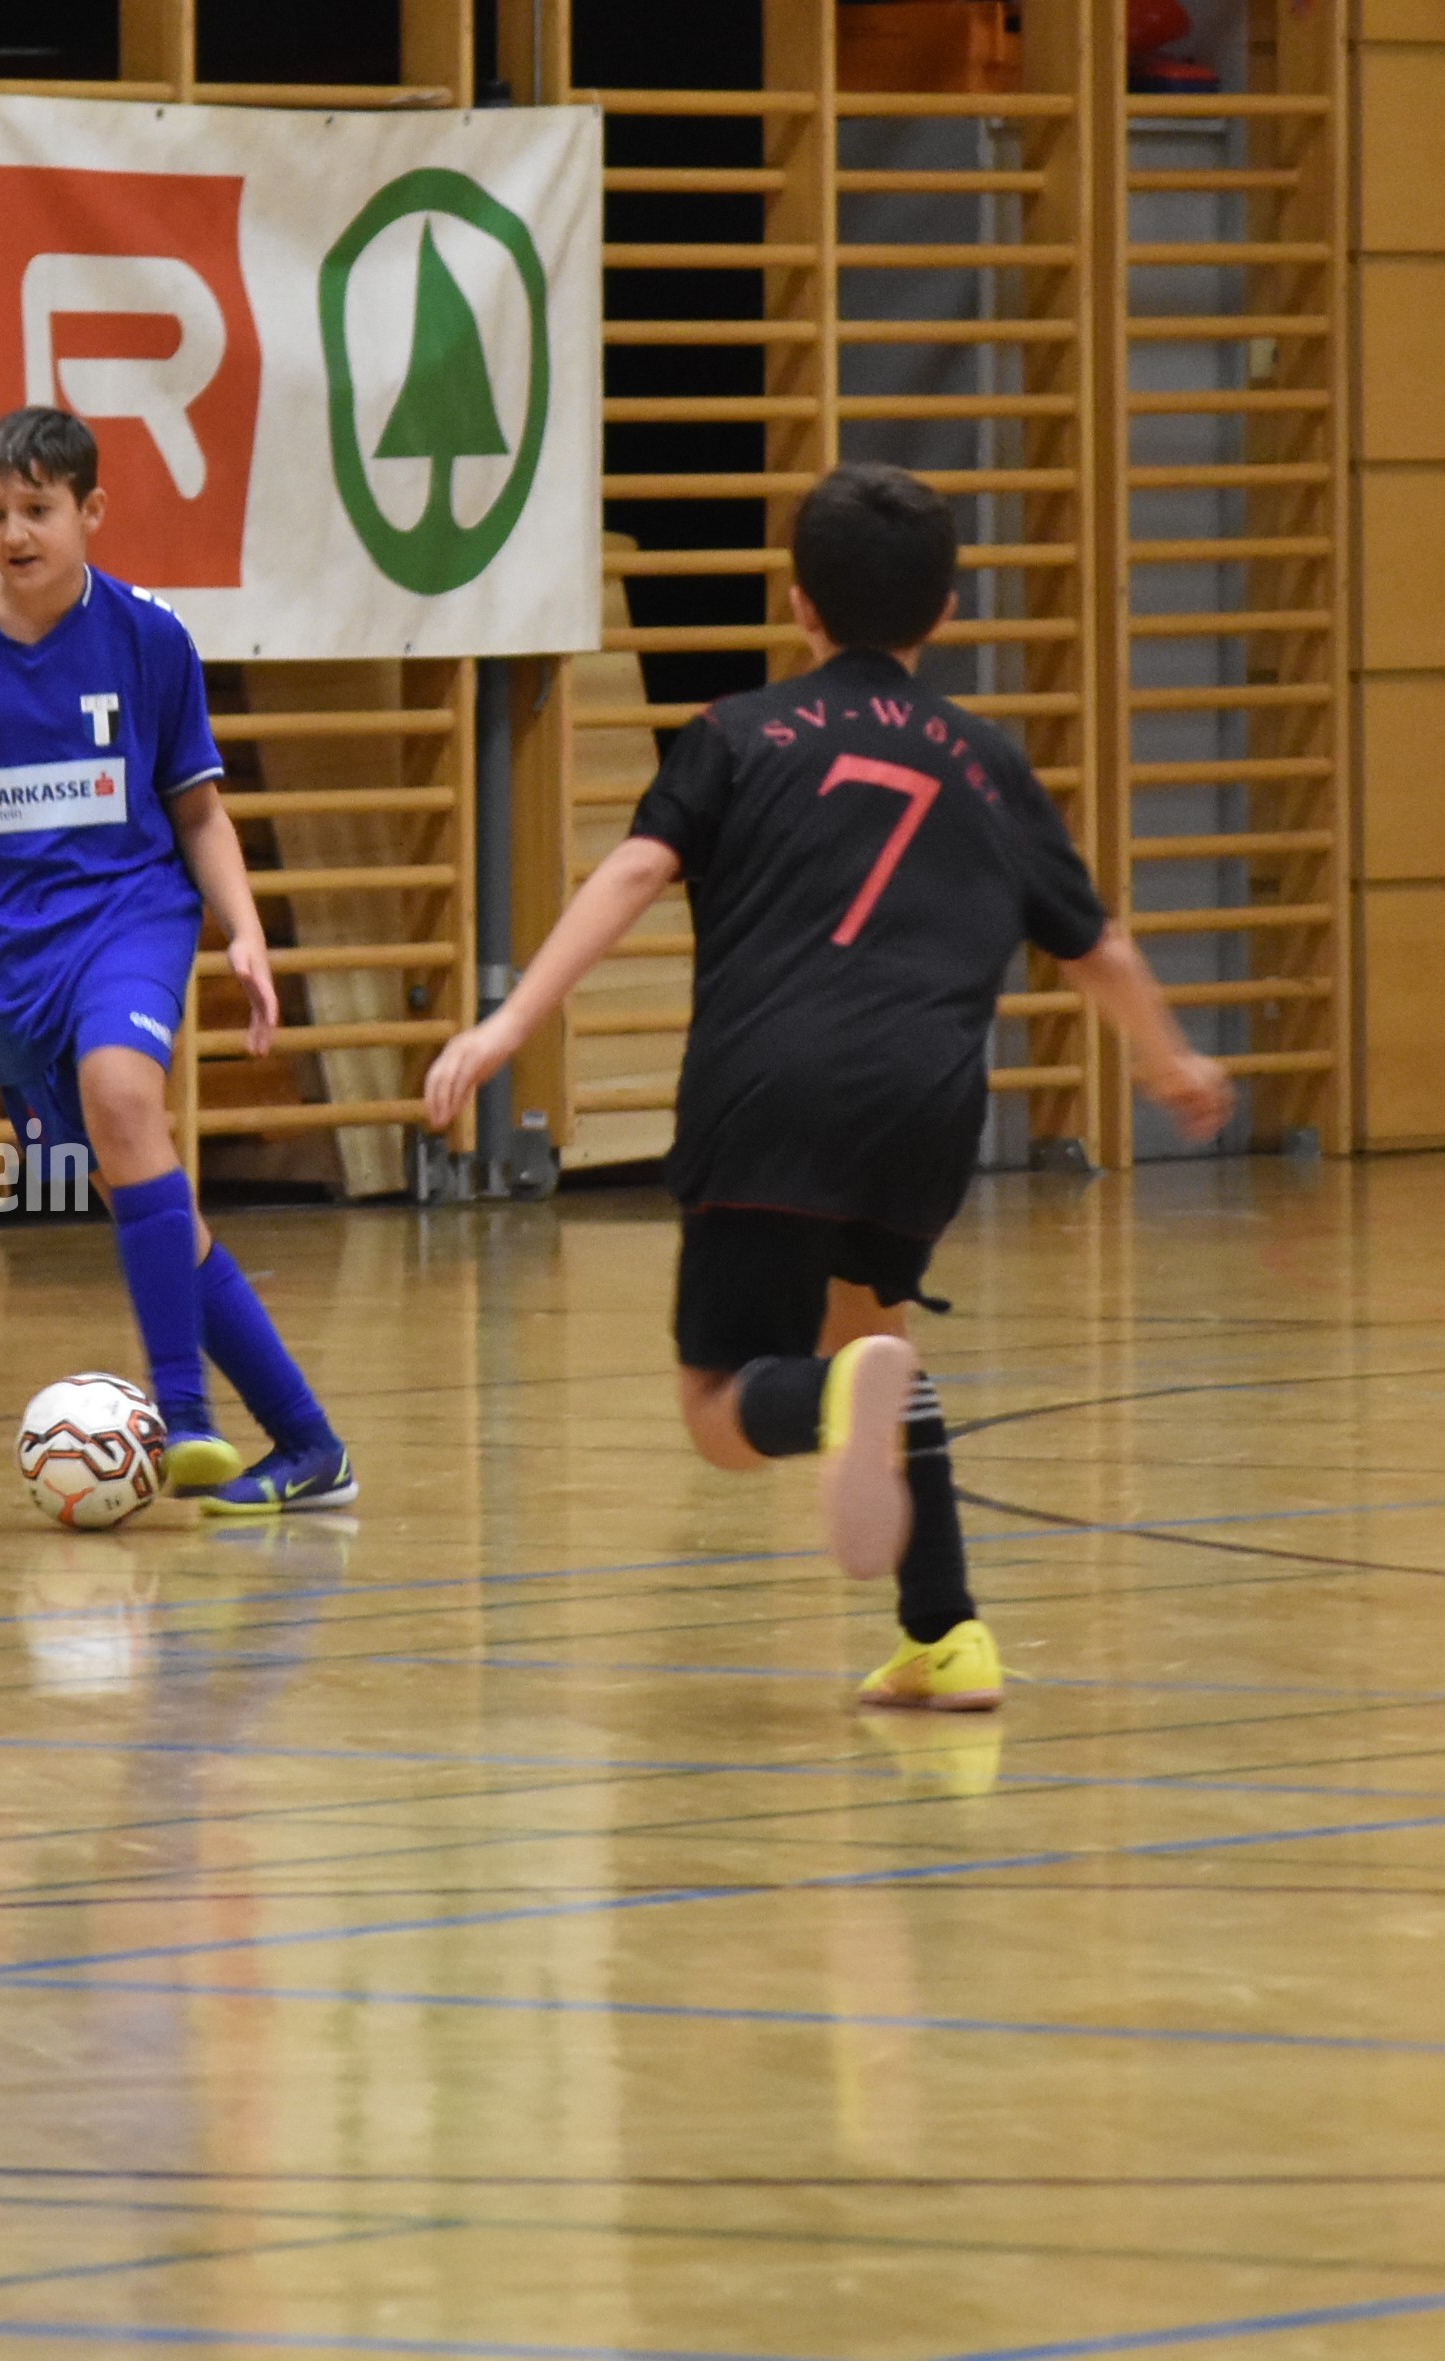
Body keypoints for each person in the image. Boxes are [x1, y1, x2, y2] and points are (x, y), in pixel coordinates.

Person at [422, 461, 1232, 1709]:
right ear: (945, 610)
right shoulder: (986, 762)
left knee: (721, 1407)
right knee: (876, 1332)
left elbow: (632, 872)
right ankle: (945, 1636)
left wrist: (507, 1022)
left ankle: (841, 1407)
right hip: (923, 1105)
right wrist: (1168, 1061)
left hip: (766, 1092)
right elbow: (1097, 948)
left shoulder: (734, 736)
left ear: (796, 602)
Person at [0, 407, 352, 1513]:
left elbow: (197, 810)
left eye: (36, 510)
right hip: (9, 960)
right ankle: (310, 1445)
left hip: (132, 914)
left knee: (123, 1098)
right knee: (148, 1200)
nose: (13, 534)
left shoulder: (148, 636)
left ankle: (184, 1417)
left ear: (91, 511)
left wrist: (243, 929)